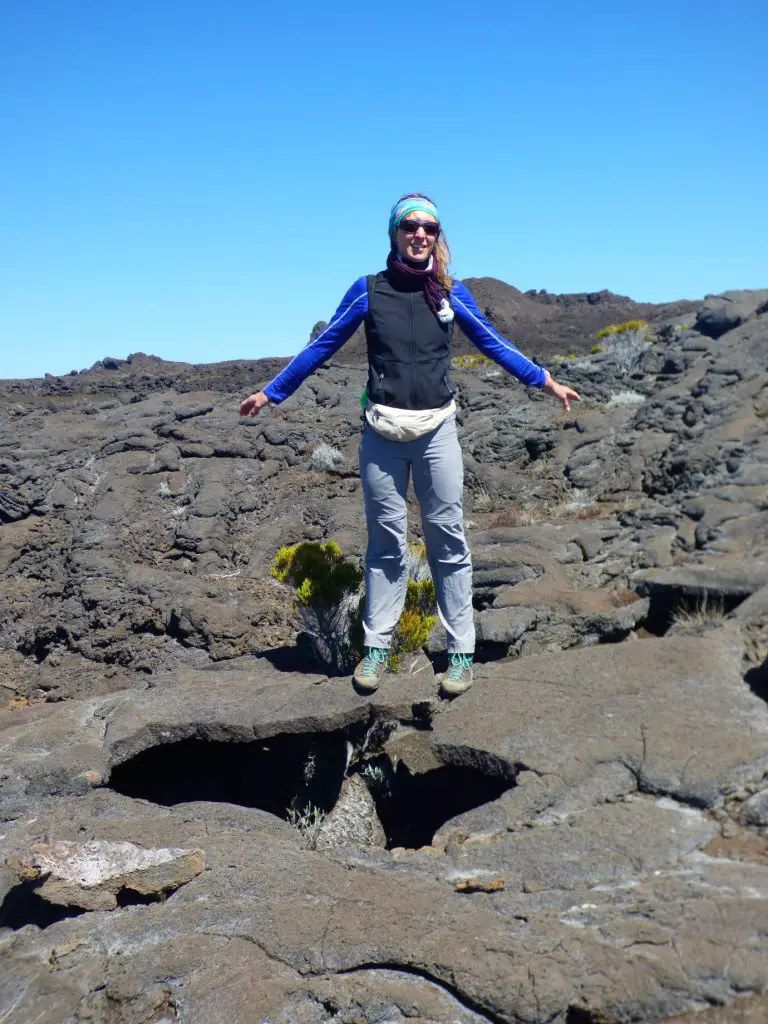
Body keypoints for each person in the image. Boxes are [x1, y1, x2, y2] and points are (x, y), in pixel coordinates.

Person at [240, 193, 580, 697]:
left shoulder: (449, 292)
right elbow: (323, 344)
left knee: (448, 541)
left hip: (437, 431)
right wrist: (274, 391)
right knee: (385, 544)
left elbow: (492, 341)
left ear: (436, 236)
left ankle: (460, 653)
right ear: (395, 234)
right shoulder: (368, 290)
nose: (420, 234)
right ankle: (376, 648)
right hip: (382, 433)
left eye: (429, 228)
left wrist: (544, 380)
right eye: (410, 226)